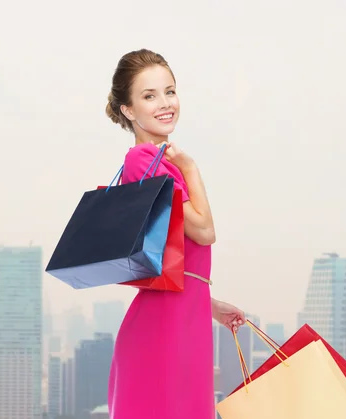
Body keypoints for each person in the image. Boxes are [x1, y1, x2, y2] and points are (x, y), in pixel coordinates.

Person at [105, 49, 246, 419]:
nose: (165, 103)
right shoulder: (144, 161)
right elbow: (204, 231)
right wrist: (192, 168)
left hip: (184, 318)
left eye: (170, 91)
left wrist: (208, 304)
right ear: (129, 110)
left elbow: (172, 255)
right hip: (163, 331)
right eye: (149, 96)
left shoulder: (161, 162)